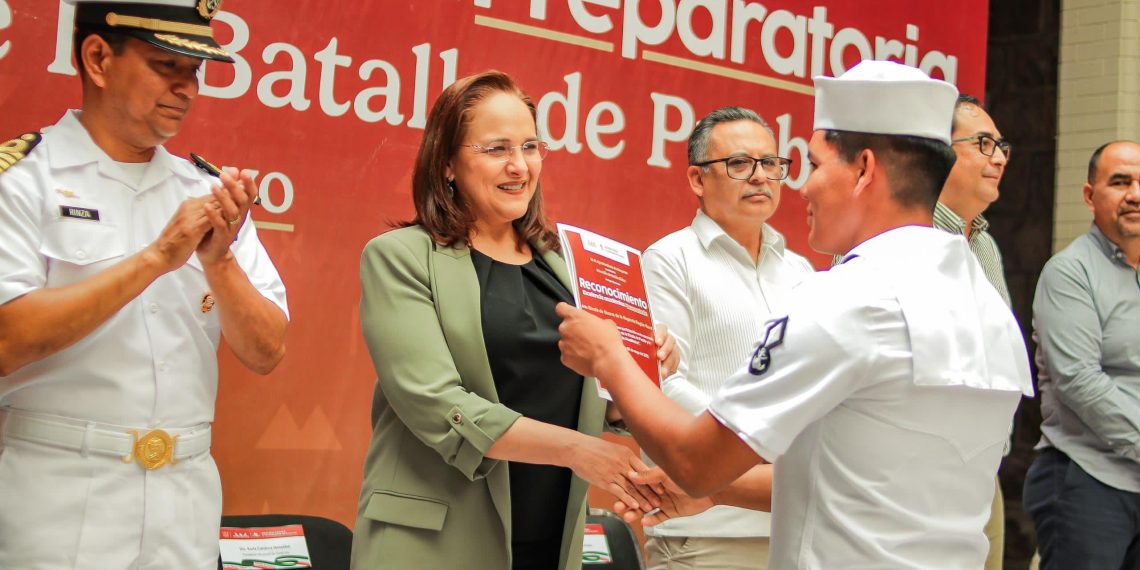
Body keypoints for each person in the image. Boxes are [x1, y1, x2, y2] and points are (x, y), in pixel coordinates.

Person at [557, 60, 1034, 569]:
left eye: (812, 164)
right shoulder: (985, 303)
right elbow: (860, 476)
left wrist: (610, 358)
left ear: (864, 170)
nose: (800, 188)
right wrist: (720, 492)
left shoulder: (849, 296)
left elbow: (695, 461)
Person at [0, 1, 289, 568]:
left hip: (183, 503)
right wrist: (157, 257)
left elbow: (267, 351)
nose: (186, 88)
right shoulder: (23, 178)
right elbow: (7, 340)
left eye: (194, 72)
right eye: (165, 65)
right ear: (98, 58)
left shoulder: (206, 190)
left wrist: (219, 262)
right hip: (58, 497)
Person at [351, 70, 675, 570]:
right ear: (449, 163)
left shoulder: (567, 266)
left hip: (547, 540)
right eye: (496, 149)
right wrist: (578, 451)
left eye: (530, 146)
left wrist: (633, 373)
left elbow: (585, 401)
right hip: (434, 545)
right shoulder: (399, 257)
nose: (519, 166)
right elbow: (437, 405)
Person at [639, 106, 812, 570]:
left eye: (771, 163)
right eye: (739, 164)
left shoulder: (802, 272)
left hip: (790, 523)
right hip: (703, 530)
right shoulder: (669, 259)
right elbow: (664, 385)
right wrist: (759, 444)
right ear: (697, 179)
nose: (760, 177)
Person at [1023, 140, 1140, 569]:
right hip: (1087, 483)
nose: (1135, 194)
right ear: (1090, 196)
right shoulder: (1069, 272)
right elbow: (1079, 381)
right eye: (1120, 182)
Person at [940, 94, 1015, 569]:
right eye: (984, 143)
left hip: (986, 470)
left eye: (1001, 145)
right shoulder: (900, 235)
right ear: (939, 152)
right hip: (925, 468)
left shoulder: (983, 243)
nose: (1000, 157)